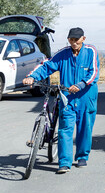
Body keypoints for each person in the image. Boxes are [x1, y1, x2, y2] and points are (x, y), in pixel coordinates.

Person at [24, 27, 100, 174]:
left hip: (86, 97)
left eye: (76, 40)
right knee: (65, 128)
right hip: (66, 97)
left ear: (83, 39)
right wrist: (32, 77)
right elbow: (46, 66)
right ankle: (64, 162)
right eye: (71, 40)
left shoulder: (91, 51)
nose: (73, 43)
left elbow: (94, 72)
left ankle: (82, 156)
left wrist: (80, 85)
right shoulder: (62, 54)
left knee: (85, 127)